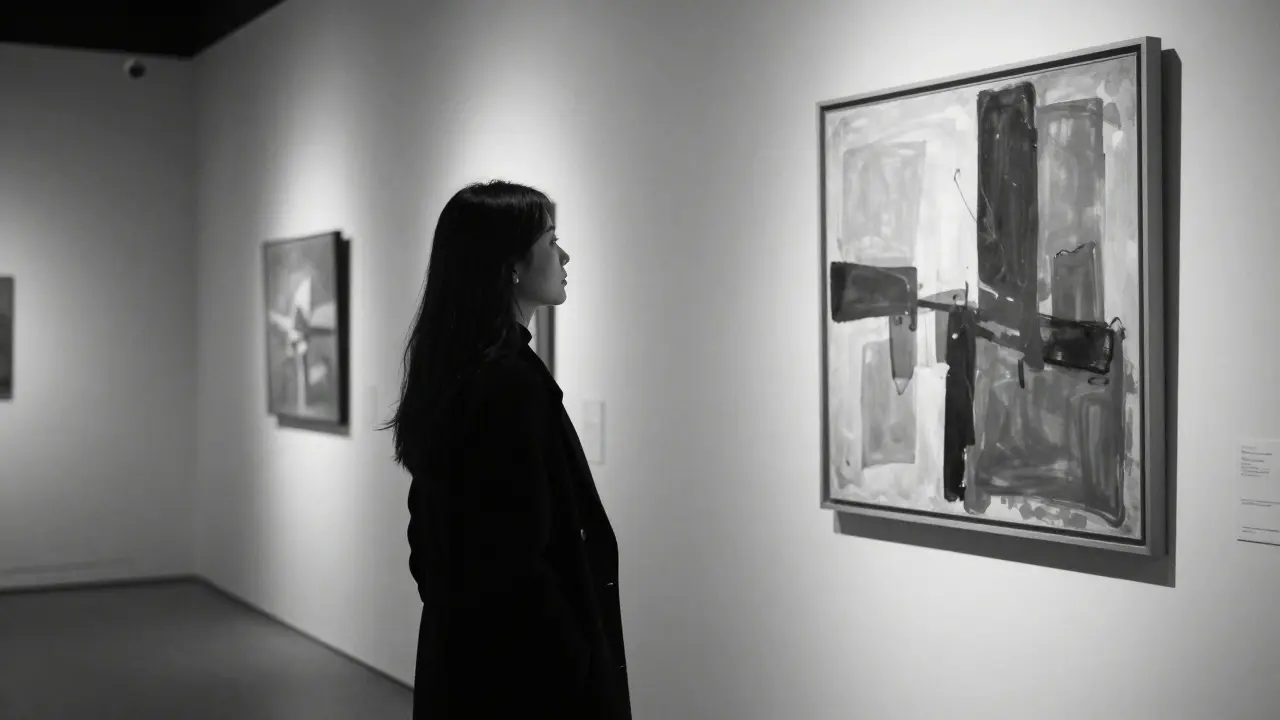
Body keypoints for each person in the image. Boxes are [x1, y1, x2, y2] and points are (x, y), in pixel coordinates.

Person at [380, 180, 632, 719]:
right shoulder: (505, 386)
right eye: (550, 241)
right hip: (523, 688)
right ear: (511, 265)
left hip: (472, 673)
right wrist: (574, 660)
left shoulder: (461, 372)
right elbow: (514, 560)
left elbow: (432, 549)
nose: (563, 255)